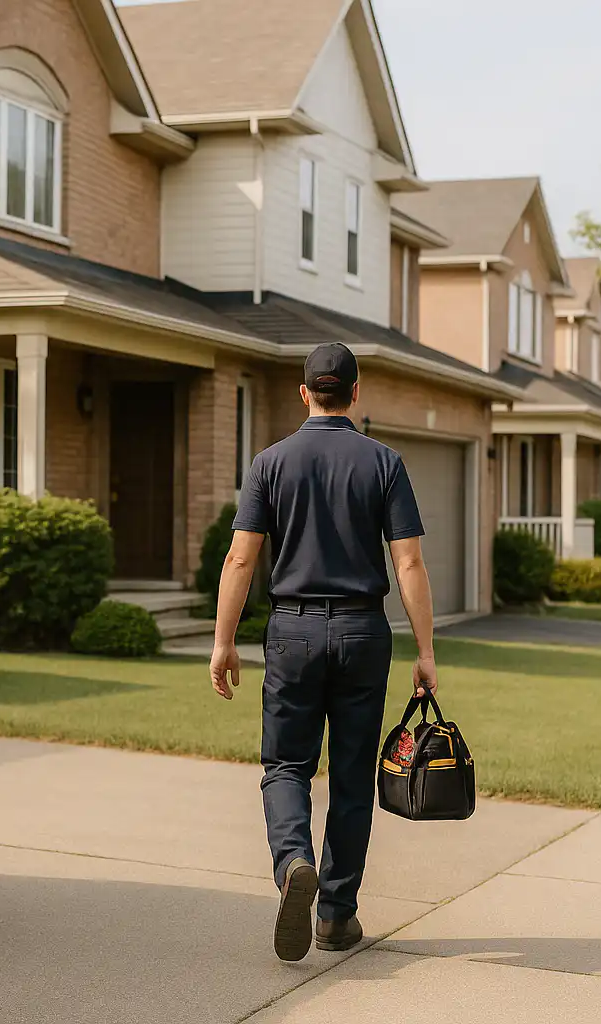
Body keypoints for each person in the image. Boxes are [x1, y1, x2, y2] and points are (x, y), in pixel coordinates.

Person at [210, 341, 438, 963]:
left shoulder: (269, 463)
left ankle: (293, 866)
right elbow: (409, 560)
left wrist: (224, 640)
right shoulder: (384, 463)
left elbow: (240, 555)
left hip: (293, 632)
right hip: (365, 632)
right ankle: (336, 916)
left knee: (286, 765)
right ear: (356, 394)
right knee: (351, 776)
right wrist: (426, 650)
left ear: (304, 391)